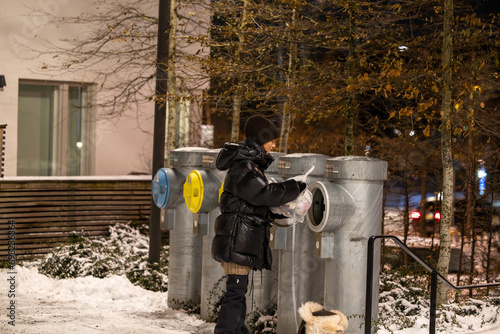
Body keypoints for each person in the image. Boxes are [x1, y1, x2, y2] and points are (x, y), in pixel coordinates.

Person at [212, 115, 306, 334]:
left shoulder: (248, 165)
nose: (274, 145)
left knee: (238, 292)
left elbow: (253, 202)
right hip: (236, 241)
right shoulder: (245, 166)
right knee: (235, 294)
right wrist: (295, 186)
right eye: (271, 140)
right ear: (258, 140)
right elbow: (264, 195)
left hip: (239, 240)